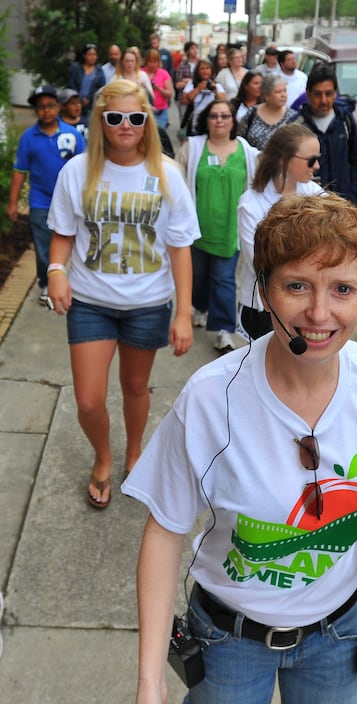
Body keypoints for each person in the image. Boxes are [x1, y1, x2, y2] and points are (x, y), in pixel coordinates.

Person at [123, 193, 357, 704]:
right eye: (298, 286)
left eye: (342, 290)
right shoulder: (211, 399)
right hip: (228, 640)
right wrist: (148, 686)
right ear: (264, 290)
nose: (320, 315)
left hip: (340, 634)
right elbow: (165, 529)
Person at [46, 79, 199, 509]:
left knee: (136, 386)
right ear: (101, 121)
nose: (126, 125)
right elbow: (62, 234)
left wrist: (183, 313)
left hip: (147, 305)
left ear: (148, 120)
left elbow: (180, 247)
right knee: (89, 399)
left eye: (136, 117)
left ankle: (134, 453)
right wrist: (57, 271)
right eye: (115, 117)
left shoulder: (167, 175)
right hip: (91, 301)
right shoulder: (76, 171)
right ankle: (103, 456)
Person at [176, 99, 259, 351]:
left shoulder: (247, 151)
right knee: (199, 277)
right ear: (206, 120)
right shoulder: (192, 147)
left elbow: (259, 183)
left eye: (225, 116)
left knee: (223, 279)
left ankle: (224, 330)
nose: (220, 120)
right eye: (214, 116)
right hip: (197, 230)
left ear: (233, 121)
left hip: (229, 231)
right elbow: (177, 181)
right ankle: (200, 307)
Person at [237, 123, 324, 340]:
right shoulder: (251, 205)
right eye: (311, 160)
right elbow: (260, 263)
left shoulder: (314, 194)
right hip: (263, 308)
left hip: (304, 303)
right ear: (284, 159)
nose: (317, 166)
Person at [6, 85, 86, 306]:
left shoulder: (72, 134)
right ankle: (46, 282)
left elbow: (87, 167)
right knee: (43, 246)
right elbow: (20, 171)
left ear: (59, 107)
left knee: (76, 241)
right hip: (41, 199)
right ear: (36, 111)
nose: (46, 111)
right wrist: (13, 202)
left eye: (50, 106)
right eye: (40, 107)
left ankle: (75, 280)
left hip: (72, 200)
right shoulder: (28, 138)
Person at [295, 65, 357, 206]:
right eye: (318, 94)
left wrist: (353, 194)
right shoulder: (298, 127)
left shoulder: (345, 120)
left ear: (335, 94)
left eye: (328, 94)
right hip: (310, 208)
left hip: (344, 205)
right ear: (308, 94)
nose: (324, 100)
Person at [238, 74, 298, 150]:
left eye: (284, 91)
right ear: (267, 95)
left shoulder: (293, 117)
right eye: (278, 92)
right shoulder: (252, 113)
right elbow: (240, 139)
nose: (283, 95)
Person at [180, 58, 226, 137]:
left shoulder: (216, 85)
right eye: (202, 69)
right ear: (198, 71)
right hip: (195, 125)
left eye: (207, 68)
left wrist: (215, 91)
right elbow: (185, 100)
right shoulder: (192, 84)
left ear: (211, 70)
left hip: (211, 125)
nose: (205, 71)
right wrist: (198, 89)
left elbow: (223, 101)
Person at [68, 43, 105, 124]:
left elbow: (101, 88)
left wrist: (90, 98)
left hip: (92, 105)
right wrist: (80, 98)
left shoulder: (99, 71)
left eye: (94, 54)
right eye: (90, 54)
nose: (92, 57)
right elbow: (71, 84)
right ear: (84, 56)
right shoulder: (76, 68)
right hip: (76, 103)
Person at [142, 48, 174, 129]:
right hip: (144, 110)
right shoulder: (141, 73)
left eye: (155, 62)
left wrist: (159, 89)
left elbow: (169, 93)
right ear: (146, 62)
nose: (152, 64)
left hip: (160, 111)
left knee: (160, 135)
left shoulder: (164, 73)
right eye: (150, 62)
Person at [175, 41, 200, 119]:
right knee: (184, 121)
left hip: (198, 98)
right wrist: (192, 82)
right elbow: (178, 85)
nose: (195, 50)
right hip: (184, 98)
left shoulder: (201, 64)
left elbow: (203, 82)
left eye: (196, 48)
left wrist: (187, 80)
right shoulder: (182, 65)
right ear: (187, 51)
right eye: (192, 48)